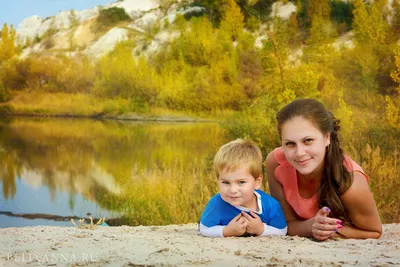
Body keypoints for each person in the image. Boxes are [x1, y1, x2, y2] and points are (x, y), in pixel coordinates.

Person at [266, 98, 382, 240]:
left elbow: (374, 231)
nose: (300, 153)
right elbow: (286, 224)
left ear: (327, 138)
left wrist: (331, 230)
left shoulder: (350, 183)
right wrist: (311, 226)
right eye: (290, 143)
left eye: (308, 140)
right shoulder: (275, 163)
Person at [199, 139, 287, 237]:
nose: (232, 190)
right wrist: (226, 231)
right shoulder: (216, 204)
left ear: (257, 182)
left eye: (241, 182)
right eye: (226, 182)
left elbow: (282, 231)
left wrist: (261, 229)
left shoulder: (270, 205)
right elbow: (204, 228)